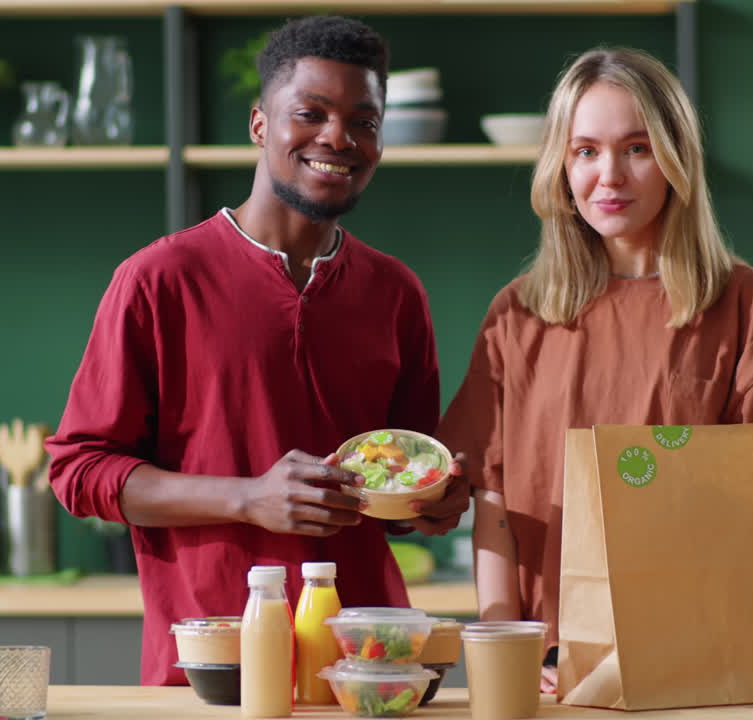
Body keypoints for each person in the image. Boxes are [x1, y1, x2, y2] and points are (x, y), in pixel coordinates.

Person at [46, 16, 468, 686]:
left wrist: (432, 504)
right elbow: (79, 471)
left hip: (368, 671)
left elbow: (397, 490)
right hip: (217, 667)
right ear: (259, 124)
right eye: (311, 113)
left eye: (364, 121)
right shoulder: (160, 279)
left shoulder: (396, 293)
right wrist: (247, 498)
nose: (339, 137)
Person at [437, 47, 753, 693]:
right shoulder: (519, 312)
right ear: (561, 165)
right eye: (586, 150)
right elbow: (493, 498)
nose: (608, 175)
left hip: (703, 658)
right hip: (554, 666)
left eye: (636, 148)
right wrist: (511, 646)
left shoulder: (747, 304)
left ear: (675, 160)